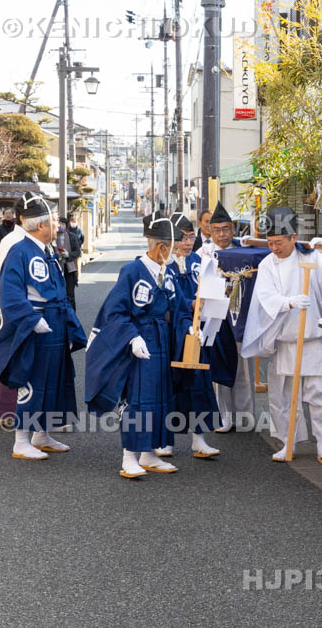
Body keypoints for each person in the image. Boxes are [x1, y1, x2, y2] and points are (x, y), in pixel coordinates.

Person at [241, 206, 322, 463]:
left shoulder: (313, 257)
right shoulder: (268, 264)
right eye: (270, 243)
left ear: (293, 238)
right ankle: (288, 442)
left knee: (320, 394)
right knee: (283, 397)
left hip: (312, 340)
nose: (274, 248)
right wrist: (287, 302)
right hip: (285, 342)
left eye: (278, 242)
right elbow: (265, 297)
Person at [85, 211, 184, 479]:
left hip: (163, 339)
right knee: (139, 399)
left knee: (162, 397)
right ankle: (129, 456)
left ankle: (150, 453)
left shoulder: (168, 271)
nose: (175, 253)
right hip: (141, 341)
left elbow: (179, 307)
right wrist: (132, 337)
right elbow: (115, 311)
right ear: (161, 246)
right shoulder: (132, 271)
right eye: (173, 247)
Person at [0, 192, 86, 460]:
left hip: (55, 321)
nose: (58, 225)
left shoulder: (46, 251)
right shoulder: (20, 250)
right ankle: (21, 440)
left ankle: (42, 434)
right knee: (33, 381)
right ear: (41, 225)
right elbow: (10, 293)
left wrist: (71, 326)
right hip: (34, 325)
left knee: (54, 378)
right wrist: (32, 320)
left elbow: (60, 291)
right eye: (54, 221)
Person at [157, 212, 222, 460]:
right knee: (169, 385)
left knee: (199, 383)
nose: (187, 242)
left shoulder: (199, 261)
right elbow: (164, 297)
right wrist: (189, 304)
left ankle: (199, 439)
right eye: (182, 238)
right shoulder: (162, 263)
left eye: (191, 237)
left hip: (197, 331)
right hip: (170, 332)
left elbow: (210, 290)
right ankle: (165, 441)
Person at [202, 201, 254, 434]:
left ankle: (246, 418)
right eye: (217, 230)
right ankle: (224, 418)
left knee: (245, 367)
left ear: (233, 230)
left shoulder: (244, 253)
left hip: (240, 316)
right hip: (214, 316)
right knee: (220, 366)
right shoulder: (201, 255)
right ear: (209, 231)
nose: (222, 234)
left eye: (226, 229)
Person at [0, 201, 27, 427]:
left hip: (9, 300)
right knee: (9, 354)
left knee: (1, 354)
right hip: (14, 301)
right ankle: (7, 410)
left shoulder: (16, 238)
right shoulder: (16, 240)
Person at [55, 216, 82, 311]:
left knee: (70, 294)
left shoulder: (71, 236)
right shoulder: (53, 236)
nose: (60, 226)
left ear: (66, 225)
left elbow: (77, 252)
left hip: (69, 268)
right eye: (59, 224)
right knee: (58, 294)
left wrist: (68, 254)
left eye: (63, 224)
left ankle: (72, 315)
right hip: (57, 268)